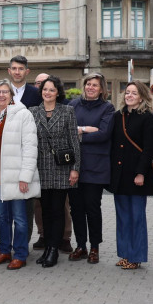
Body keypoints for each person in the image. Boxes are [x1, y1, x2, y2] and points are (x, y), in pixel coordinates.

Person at [0, 80, 39, 270]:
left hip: (17, 176)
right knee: (2, 217)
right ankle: (5, 250)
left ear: (11, 95)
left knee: (20, 218)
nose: (1, 95)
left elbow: (31, 147)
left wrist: (26, 176)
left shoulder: (23, 114)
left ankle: (21, 253)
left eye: (5, 92)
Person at [108, 82, 153, 271]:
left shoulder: (147, 118)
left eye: (133, 93)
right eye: (127, 92)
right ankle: (125, 254)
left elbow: (149, 148)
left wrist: (140, 173)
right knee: (122, 218)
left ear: (141, 96)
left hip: (137, 175)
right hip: (119, 176)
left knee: (136, 218)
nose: (129, 95)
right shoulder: (118, 116)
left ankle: (136, 256)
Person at [29, 76, 78, 267]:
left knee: (57, 210)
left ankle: (53, 250)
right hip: (40, 168)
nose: (47, 93)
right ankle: (48, 245)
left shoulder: (67, 111)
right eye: (44, 89)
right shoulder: (33, 111)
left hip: (61, 168)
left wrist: (75, 169)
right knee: (45, 211)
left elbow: (74, 141)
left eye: (51, 89)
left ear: (58, 92)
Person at [67, 72, 115, 264]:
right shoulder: (73, 105)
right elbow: (67, 131)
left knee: (92, 208)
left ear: (102, 89)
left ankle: (95, 247)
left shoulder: (107, 108)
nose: (91, 87)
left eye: (95, 85)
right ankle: (81, 245)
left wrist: (79, 131)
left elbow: (104, 134)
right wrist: (87, 130)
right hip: (73, 165)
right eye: (88, 84)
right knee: (76, 208)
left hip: (96, 166)